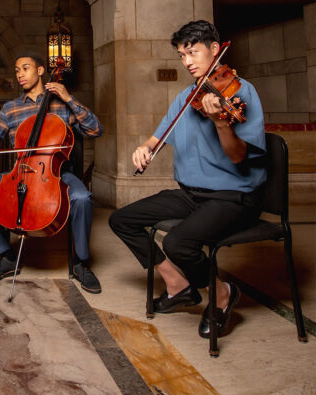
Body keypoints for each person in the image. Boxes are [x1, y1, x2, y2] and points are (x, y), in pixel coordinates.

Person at [108, 20, 266, 338]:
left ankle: (222, 294)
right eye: (182, 55)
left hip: (233, 196)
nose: (187, 62)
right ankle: (178, 285)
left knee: (178, 242)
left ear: (215, 49)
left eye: (193, 52)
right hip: (192, 195)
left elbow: (238, 156)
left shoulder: (241, 91)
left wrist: (220, 122)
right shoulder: (186, 97)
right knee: (121, 220)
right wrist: (144, 148)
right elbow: (157, 137)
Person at [0, 53, 103, 293]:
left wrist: (69, 98)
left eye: (25, 68)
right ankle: (6, 257)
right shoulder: (11, 108)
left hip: (56, 172)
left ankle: (80, 262)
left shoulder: (62, 104)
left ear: (40, 71)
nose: (20, 74)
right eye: (17, 70)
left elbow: (95, 129)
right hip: (21, 170)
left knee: (82, 198)